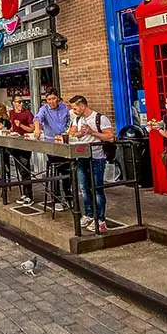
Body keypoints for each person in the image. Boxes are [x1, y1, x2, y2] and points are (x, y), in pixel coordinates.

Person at [69, 96, 115, 232]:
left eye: (75, 108)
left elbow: (110, 136)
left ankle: (100, 219)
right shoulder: (77, 119)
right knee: (84, 188)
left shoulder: (100, 118)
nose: (74, 111)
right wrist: (79, 133)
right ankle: (88, 214)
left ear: (82, 106)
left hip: (96, 157)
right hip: (81, 156)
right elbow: (71, 132)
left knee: (97, 189)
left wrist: (92, 132)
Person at [33, 89, 73, 212]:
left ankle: (69, 198)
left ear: (58, 98)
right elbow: (37, 118)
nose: (51, 101)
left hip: (64, 143)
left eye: (53, 99)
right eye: (49, 99)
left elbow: (69, 122)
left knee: (68, 172)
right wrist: (37, 129)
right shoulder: (44, 109)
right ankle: (56, 199)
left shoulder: (64, 108)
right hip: (51, 145)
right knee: (57, 170)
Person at [9, 99, 35, 204]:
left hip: (25, 143)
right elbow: (12, 126)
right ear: (13, 103)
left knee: (25, 169)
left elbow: (32, 129)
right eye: (18, 102)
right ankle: (24, 193)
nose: (21, 104)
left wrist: (20, 125)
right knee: (19, 169)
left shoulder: (27, 113)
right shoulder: (11, 113)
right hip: (15, 143)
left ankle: (29, 195)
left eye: (22, 102)